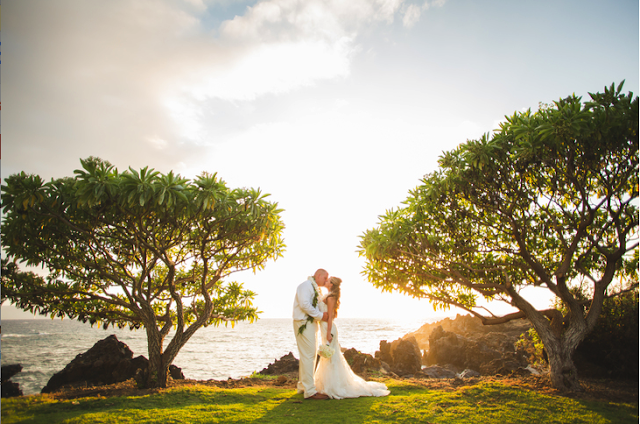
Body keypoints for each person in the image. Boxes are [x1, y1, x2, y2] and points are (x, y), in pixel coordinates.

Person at [314, 277, 390, 399]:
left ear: (332, 284)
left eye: (328, 281)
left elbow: (330, 317)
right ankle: (325, 384)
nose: (326, 282)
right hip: (324, 328)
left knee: (331, 357)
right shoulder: (328, 295)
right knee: (329, 357)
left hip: (328, 329)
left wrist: (328, 333)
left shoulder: (331, 297)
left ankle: (333, 385)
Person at [292, 269, 330, 400]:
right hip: (303, 323)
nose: (326, 281)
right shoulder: (306, 286)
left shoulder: (314, 288)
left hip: (310, 323)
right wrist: (320, 315)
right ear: (318, 276)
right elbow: (304, 305)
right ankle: (310, 391)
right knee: (309, 355)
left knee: (308, 355)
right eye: (325, 278)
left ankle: (303, 386)